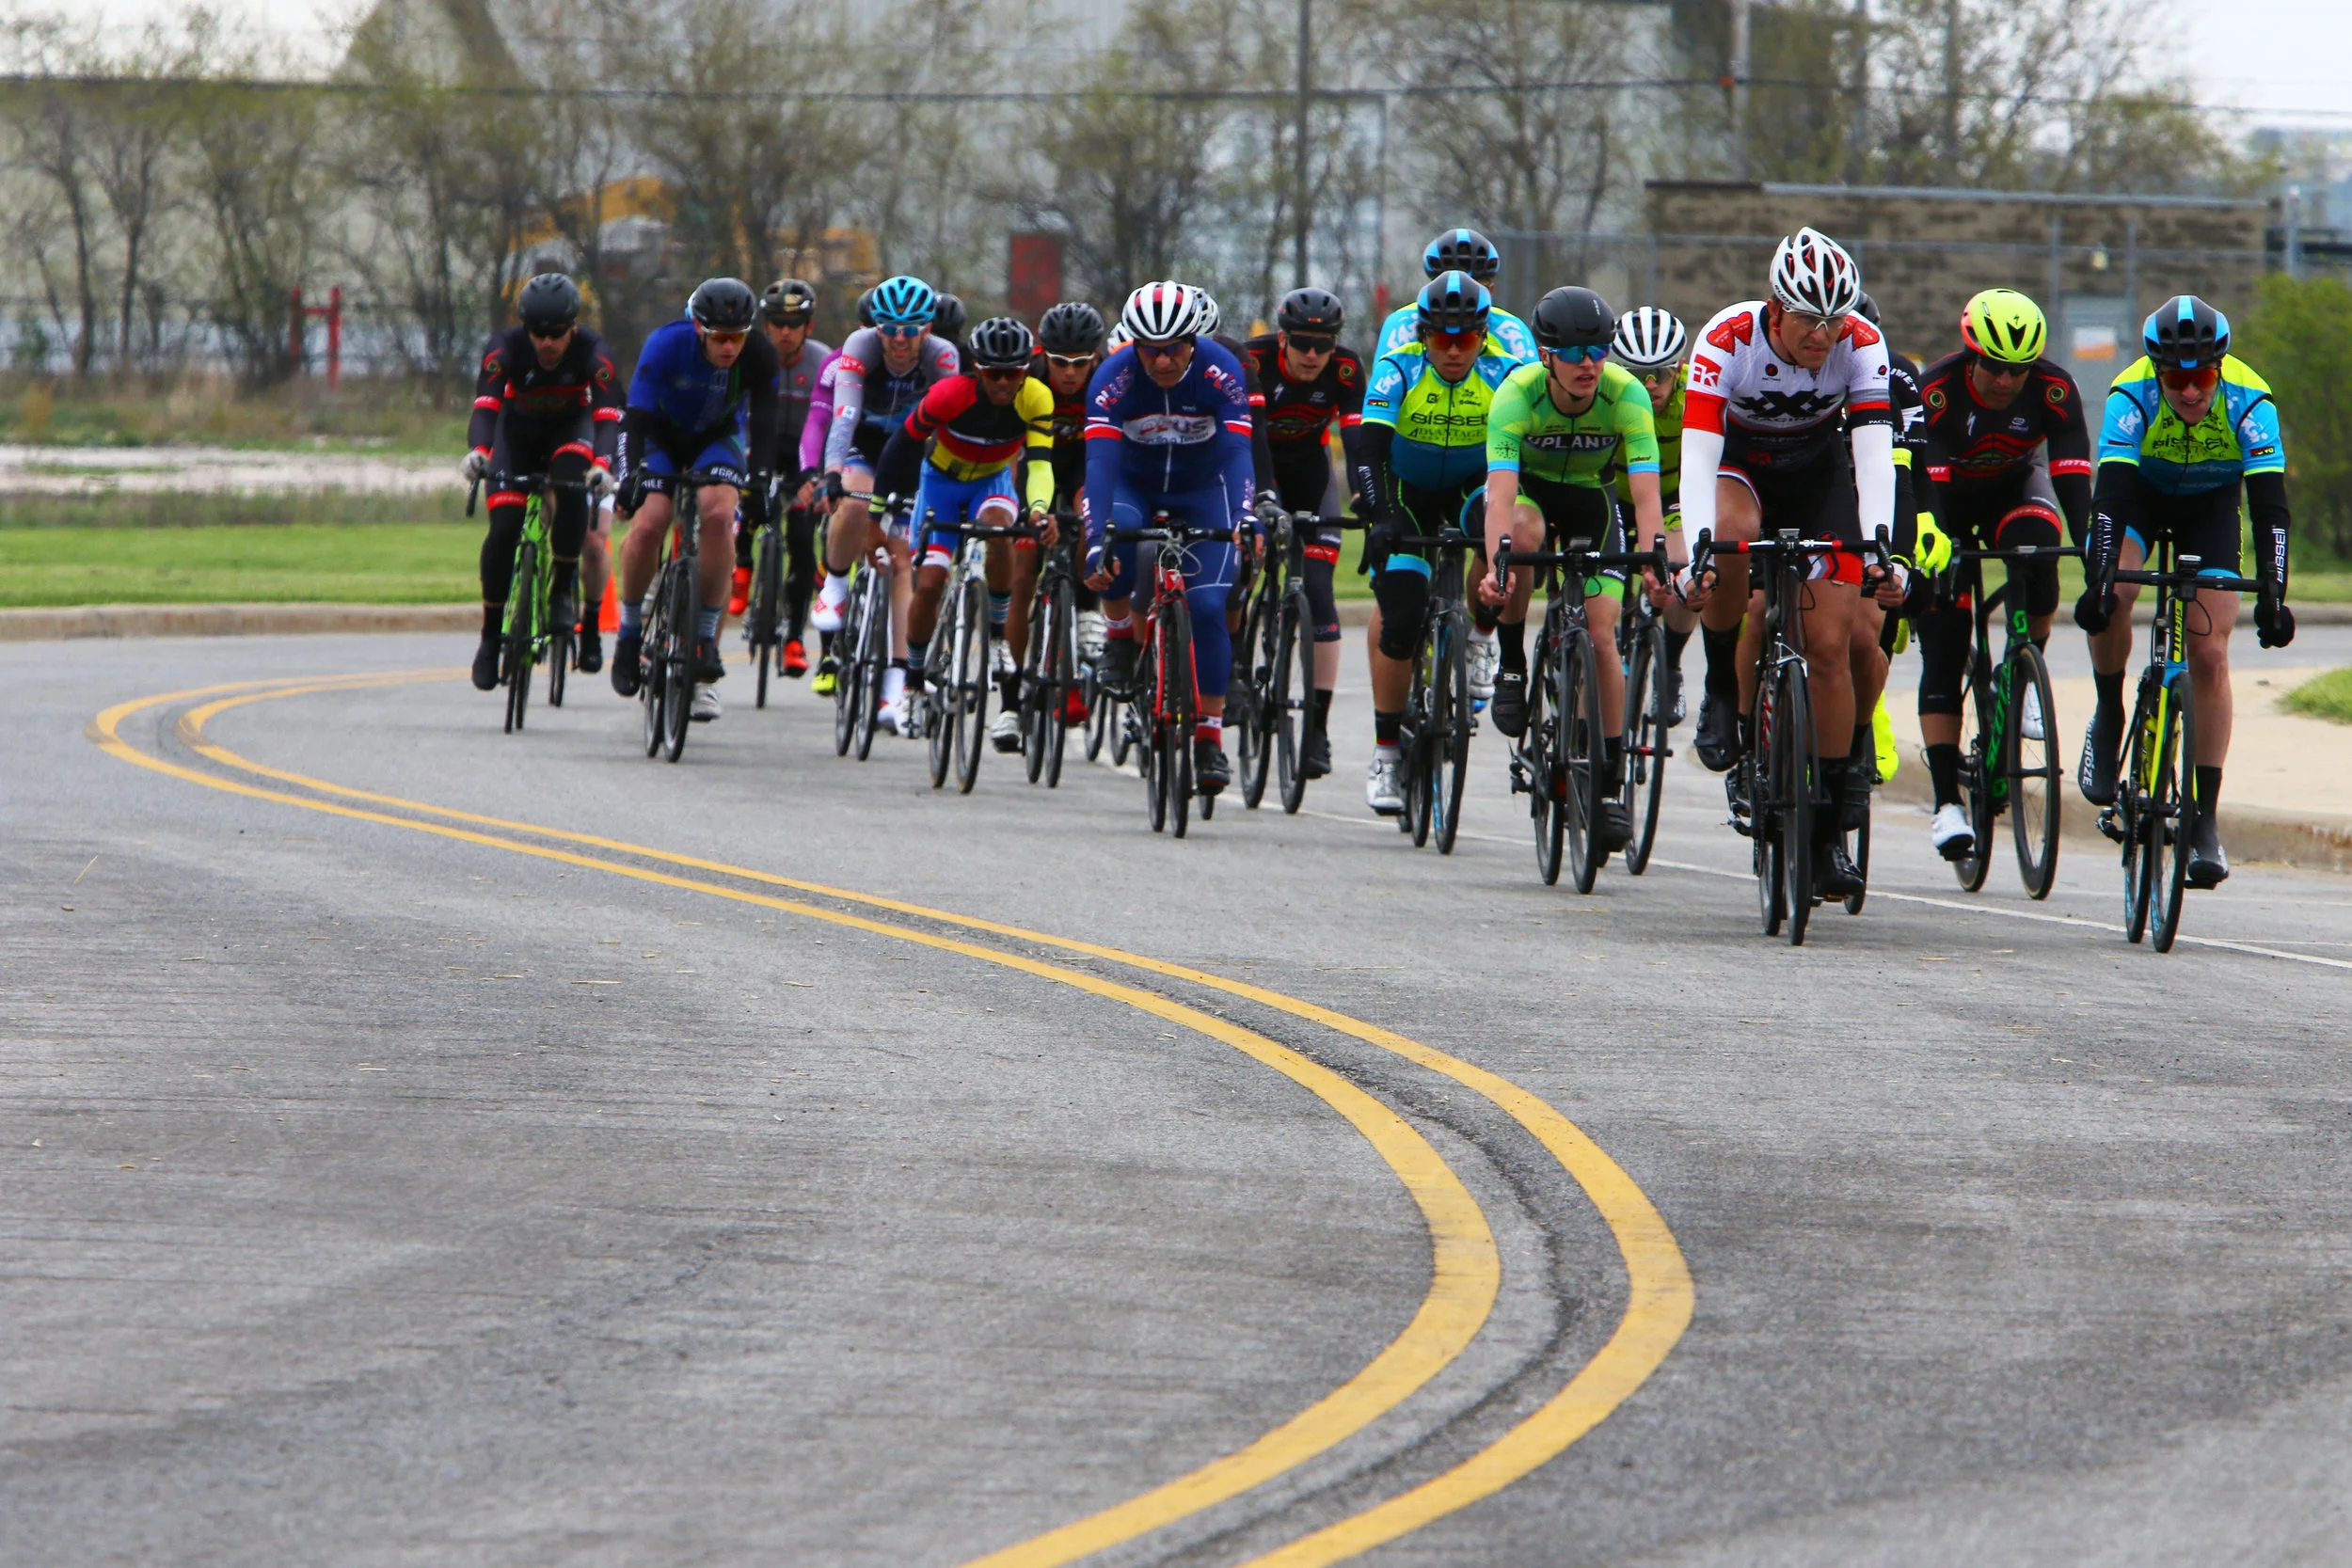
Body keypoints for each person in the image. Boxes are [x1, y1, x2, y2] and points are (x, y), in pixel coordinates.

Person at [1678, 227, 1898, 897]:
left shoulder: (1861, 343)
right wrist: (1697, 552)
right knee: (1730, 538)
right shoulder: (1724, 340)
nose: (1823, 334)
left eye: (1835, 318)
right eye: (1809, 318)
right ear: (1775, 308)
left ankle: (1827, 830)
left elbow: (1871, 453)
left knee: (1831, 645)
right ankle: (1723, 687)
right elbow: (1698, 456)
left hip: (1817, 473)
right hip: (1740, 468)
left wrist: (1881, 543)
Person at [2074, 294, 2295, 888]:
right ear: (2157, 371)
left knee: (2210, 651)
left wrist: (2274, 592)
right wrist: (2100, 580)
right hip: (2142, 499)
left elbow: (2270, 508)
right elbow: (2111, 501)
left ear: (2218, 369)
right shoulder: (2131, 394)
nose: (2192, 392)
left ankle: (2205, 821)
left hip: (2211, 507)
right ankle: (2108, 707)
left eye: (2201, 377)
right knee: (2117, 597)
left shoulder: (2251, 399)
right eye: (2177, 378)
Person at [1478, 286, 1662, 854]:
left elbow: (1646, 495)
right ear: (1545, 355)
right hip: (1531, 497)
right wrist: (1496, 566)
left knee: (1604, 638)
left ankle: (1607, 788)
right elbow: (1501, 497)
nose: (1589, 363)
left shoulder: (1627, 393)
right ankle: (1511, 665)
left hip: (1591, 498)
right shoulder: (1517, 395)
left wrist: (1655, 560)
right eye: (1575, 353)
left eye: (1599, 351)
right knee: (1523, 539)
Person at [1913, 287, 2090, 859]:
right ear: (1971, 354)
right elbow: (1931, 490)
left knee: (2040, 554)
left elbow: (2070, 480)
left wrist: (2092, 544)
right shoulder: (1937, 392)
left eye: (2018, 370)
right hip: (1948, 503)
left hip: (2014, 489)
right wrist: (1936, 547)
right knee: (1943, 634)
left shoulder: (2055, 390)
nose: (2005, 381)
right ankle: (1945, 805)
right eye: (1993, 367)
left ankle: (2025, 670)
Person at [1357, 270, 1529, 815]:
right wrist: (1380, 516)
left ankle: (1479, 636)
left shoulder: (1507, 375)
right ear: (1423, 335)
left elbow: (1524, 454)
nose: (1454, 350)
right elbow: (1367, 453)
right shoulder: (1397, 369)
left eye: (1467, 339)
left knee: (1503, 540)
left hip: (1469, 488)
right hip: (1406, 493)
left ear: (1484, 337)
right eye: (1441, 339)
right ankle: (1386, 753)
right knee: (1402, 619)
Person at [1082, 280, 1259, 793]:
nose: (1162, 361)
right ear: (1134, 345)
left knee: (1207, 608)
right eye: (1151, 350)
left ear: (1194, 340)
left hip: (1204, 487)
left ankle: (1208, 737)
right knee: (1117, 541)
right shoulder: (1112, 378)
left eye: (1175, 348)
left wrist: (1245, 515)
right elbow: (1100, 463)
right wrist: (1098, 538)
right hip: (1133, 483)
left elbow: (1237, 453)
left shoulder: (1219, 370)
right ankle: (1118, 637)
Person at [878, 314, 1057, 748]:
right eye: (993, 373)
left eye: (1013, 373)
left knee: (999, 533)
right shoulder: (949, 394)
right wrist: (881, 511)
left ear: (1024, 370)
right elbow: (902, 446)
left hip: (992, 481)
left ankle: (996, 640)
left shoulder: (1036, 397)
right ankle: (915, 684)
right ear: (977, 369)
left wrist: (1037, 509)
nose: (1002, 382)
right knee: (931, 581)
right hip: (939, 481)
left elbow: (1038, 464)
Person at [610, 277, 780, 724]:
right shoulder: (667, 345)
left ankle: (704, 638)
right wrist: (628, 476)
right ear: (699, 329)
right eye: (720, 338)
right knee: (650, 523)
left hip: (716, 439)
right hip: (660, 438)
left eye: (737, 337)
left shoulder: (759, 354)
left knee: (721, 516)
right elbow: (634, 420)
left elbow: (765, 424)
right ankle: (629, 634)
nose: (729, 347)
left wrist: (761, 481)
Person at [807, 276, 960, 731]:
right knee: (854, 503)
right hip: (866, 444)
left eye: (910, 330)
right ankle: (834, 585)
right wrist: (832, 473)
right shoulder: (860, 346)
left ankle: (895, 690)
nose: (898, 339)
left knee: (901, 560)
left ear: (927, 328)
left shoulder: (943, 358)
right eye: (888, 328)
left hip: (913, 453)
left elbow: (948, 427)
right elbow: (845, 415)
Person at [459, 272, 621, 690]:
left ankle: (561, 589)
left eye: (557, 333)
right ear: (525, 328)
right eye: (538, 333)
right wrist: (479, 452)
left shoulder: (594, 352)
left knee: (571, 486)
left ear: (573, 327)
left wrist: (602, 465)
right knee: (505, 529)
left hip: (571, 430)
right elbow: (486, 407)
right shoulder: (505, 347)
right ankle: (490, 638)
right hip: (516, 436)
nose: (547, 343)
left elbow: (606, 417)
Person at [1240, 285, 1373, 780]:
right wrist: (1261, 498)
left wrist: (1365, 496)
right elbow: (1247, 436)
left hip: (1311, 472)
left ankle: (1317, 728)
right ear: (1281, 339)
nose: (1313, 355)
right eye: (1301, 343)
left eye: (1324, 344)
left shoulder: (1345, 369)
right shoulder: (1254, 362)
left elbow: (1356, 441)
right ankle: (1236, 669)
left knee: (1319, 592)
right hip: (1257, 467)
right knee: (1237, 563)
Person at [736, 277, 833, 679]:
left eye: (795, 323)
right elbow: (735, 415)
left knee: (801, 536)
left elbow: (832, 424)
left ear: (809, 327)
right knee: (745, 499)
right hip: (759, 447)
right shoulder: (751, 357)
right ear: (766, 325)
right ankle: (741, 563)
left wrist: (823, 478)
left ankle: (794, 637)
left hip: (804, 458)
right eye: (777, 323)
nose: (786, 332)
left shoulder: (824, 361)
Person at [1610, 305, 1698, 725]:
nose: (1648, 385)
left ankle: (1672, 666)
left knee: (1685, 569)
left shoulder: (1694, 399)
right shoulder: (1606, 396)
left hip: (1672, 499)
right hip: (1615, 495)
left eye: (1659, 373)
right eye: (1634, 374)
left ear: (1678, 370)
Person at [1031, 300, 1110, 724]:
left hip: (1084, 462)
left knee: (1090, 519)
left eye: (1079, 364)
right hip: (1035, 460)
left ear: (1094, 358)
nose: (1068, 373)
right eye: (1059, 362)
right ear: (1044, 355)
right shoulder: (1027, 374)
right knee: (1026, 546)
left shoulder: (1107, 378)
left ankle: (1085, 610)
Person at [1373, 228, 1539, 363]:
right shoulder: (1401, 325)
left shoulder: (1511, 331)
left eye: (1473, 288)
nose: (1460, 299)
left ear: (1491, 291)